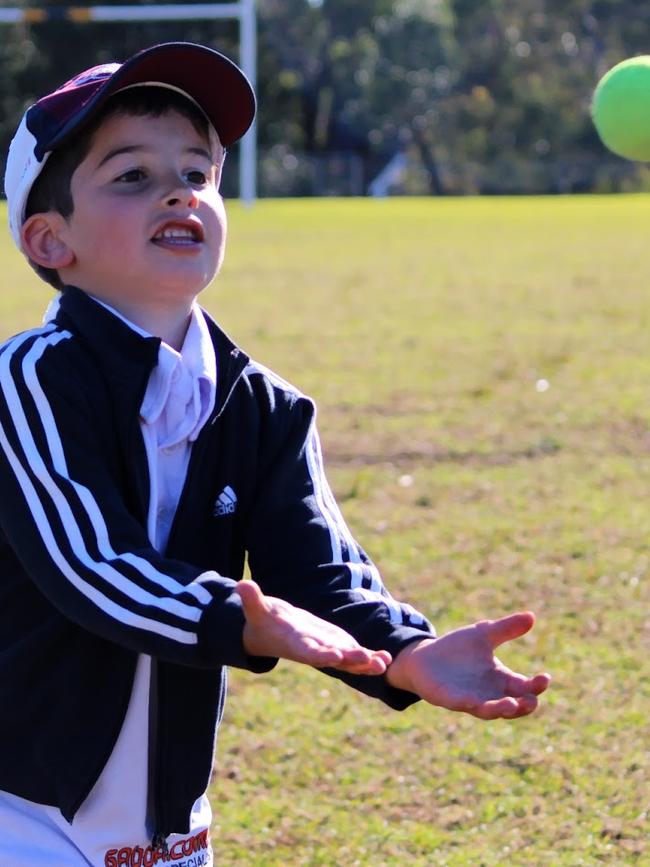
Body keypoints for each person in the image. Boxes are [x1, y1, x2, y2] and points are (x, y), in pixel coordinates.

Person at [0, 42, 550, 867]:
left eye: (198, 170)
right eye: (132, 176)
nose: (179, 190)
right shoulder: (30, 379)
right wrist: (236, 617)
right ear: (50, 241)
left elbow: (319, 572)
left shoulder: (263, 404)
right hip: (21, 803)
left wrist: (404, 652)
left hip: (169, 818)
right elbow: (92, 566)